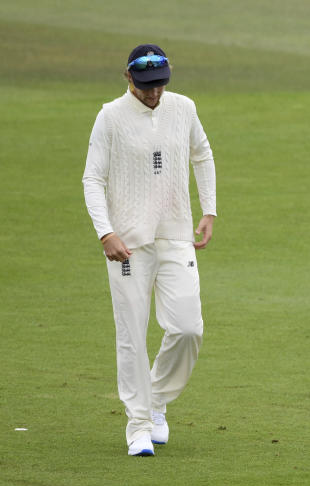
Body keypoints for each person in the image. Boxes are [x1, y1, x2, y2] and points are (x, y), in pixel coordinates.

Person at [82, 44, 216, 457]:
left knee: (188, 327)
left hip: (175, 235)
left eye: (159, 85)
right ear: (128, 78)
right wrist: (106, 233)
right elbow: (92, 179)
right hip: (128, 245)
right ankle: (138, 425)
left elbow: (202, 153)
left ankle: (155, 400)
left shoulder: (184, 108)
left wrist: (209, 209)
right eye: (146, 86)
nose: (154, 93)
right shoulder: (110, 117)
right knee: (131, 335)